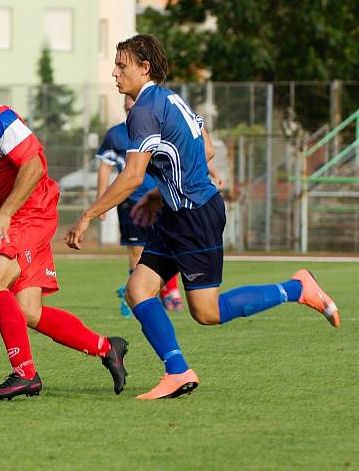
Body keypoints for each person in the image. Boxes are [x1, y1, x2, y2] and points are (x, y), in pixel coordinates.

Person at [65, 34, 339, 399]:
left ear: (144, 68)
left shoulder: (144, 110)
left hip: (194, 214)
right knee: (138, 289)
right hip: (176, 213)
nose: (114, 73)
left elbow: (130, 174)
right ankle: (177, 371)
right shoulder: (170, 98)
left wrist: (87, 215)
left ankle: (297, 288)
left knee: (206, 312)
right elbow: (205, 146)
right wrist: (158, 192)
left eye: (121, 65)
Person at [0, 55, 128, 400]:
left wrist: (4, 216)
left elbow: (33, 167)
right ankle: (107, 347)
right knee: (29, 311)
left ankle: (24, 373)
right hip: (19, 215)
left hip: (35, 210)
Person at [96, 95, 183, 316]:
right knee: (136, 249)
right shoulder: (115, 134)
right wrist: (101, 202)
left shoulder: (158, 130)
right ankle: (140, 295)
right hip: (130, 202)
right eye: (129, 107)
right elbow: (105, 169)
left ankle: (169, 291)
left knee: (168, 244)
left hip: (159, 199)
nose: (133, 111)